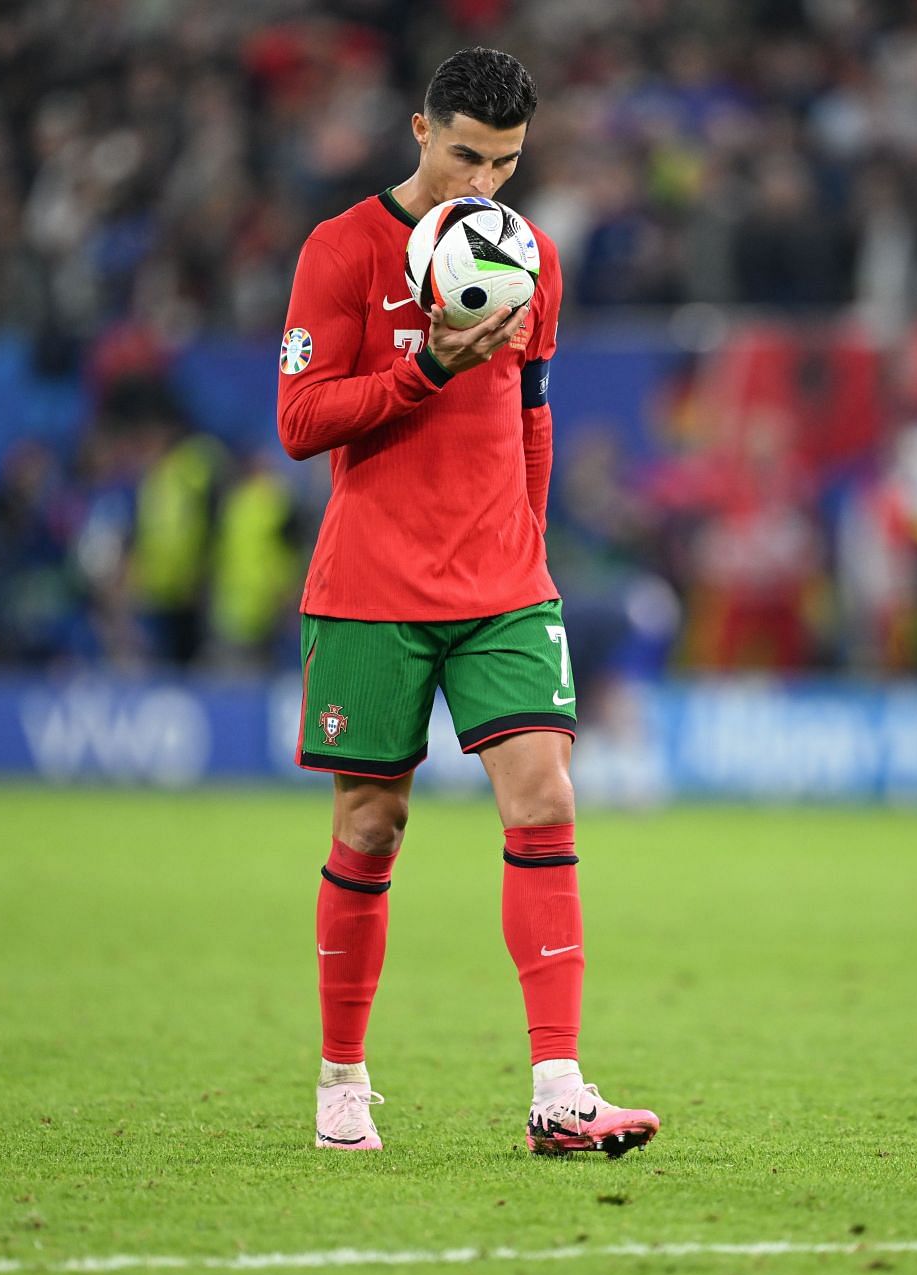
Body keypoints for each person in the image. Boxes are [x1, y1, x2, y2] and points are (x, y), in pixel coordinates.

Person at [274, 48, 658, 1157]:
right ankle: (342, 1076)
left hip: (500, 582)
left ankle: (559, 1088)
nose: (482, 181)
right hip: (372, 583)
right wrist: (425, 371)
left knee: (545, 799)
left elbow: (533, 406)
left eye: (506, 161)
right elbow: (300, 421)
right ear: (419, 130)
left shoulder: (527, 254)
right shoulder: (341, 249)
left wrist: (527, 539)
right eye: (464, 154)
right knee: (371, 823)